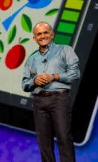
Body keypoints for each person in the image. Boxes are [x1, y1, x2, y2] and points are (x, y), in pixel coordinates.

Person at [21, 22, 80, 162]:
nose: (43, 36)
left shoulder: (65, 50)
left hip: (59, 99)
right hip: (39, 101)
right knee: (44, 142)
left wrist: (54, 76)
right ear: (34, 38)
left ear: (52, 34)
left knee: (64, 137)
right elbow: (24, 84)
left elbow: (75, 73)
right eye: (39, 34)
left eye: (45, 32)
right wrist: (34, 81)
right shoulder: (32, 59)